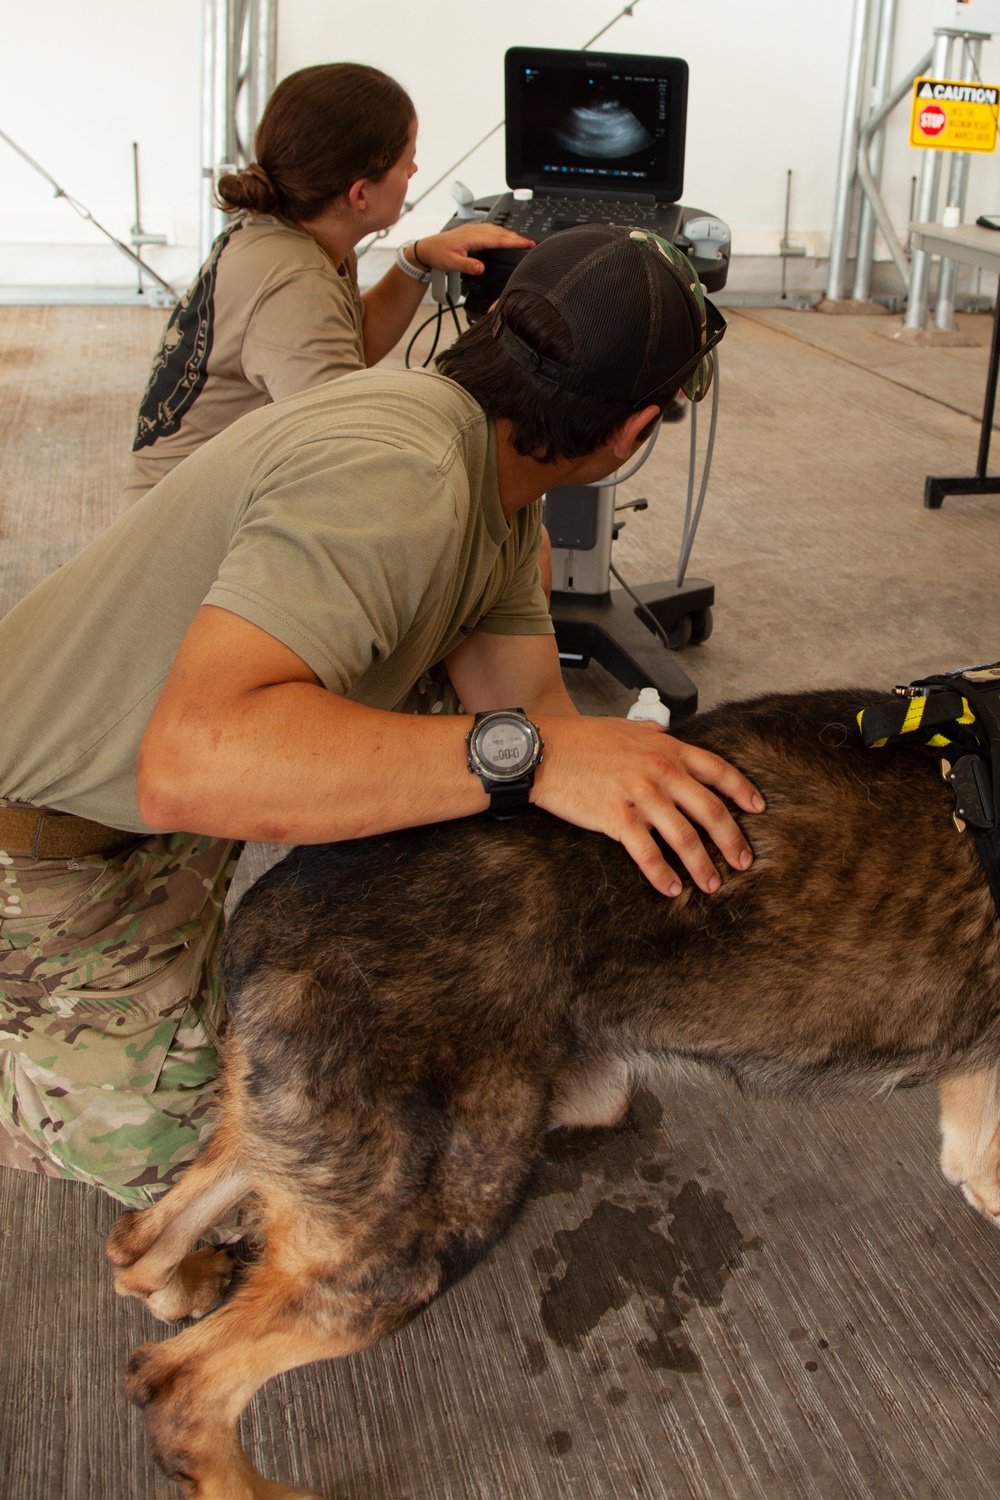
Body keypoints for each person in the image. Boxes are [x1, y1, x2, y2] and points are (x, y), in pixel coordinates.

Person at [0, 225, 763, 1206]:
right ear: (633, 429)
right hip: (46, 841)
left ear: (495, 324)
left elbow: (533, 712)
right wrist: (530, 757)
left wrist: (630, 810)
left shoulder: (487, 471)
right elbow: (194, 761)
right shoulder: (399, 476)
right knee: (279, 1192)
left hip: (158, 803)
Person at [124, 61, 534, 502]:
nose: (414, 170)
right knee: (512, 523)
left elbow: (349, 342)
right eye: (405, 161)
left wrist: (415, 260)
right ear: (360, 194)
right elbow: (346, 455)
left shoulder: (285, 231)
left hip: (198, 496)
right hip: (193, 526)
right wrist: (495, 349)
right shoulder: (297, 286)